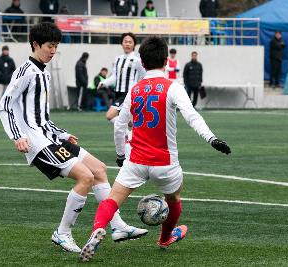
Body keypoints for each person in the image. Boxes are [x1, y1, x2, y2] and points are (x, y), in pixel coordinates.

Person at [0, 22, 147, 253]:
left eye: (56, 46)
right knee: (85, 177)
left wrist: (62, 133)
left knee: (98, 169)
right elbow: (4, 105)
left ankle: (118, 226)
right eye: (50, 46)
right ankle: (62, 233)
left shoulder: (43, 73)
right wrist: (17, 136)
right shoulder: (25, 71)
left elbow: (41, 117)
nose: (53, 51)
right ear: (35, 44)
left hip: (50, 137)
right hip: (37, 143)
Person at [79, 36, 231, 262]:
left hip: (136, 160)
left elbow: (120, 126)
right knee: (174, 199)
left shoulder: (135, 89)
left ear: (141, 62)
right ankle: (164, 238)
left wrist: (121, 154)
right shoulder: (173, 88)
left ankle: (96, 231)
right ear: (167, 61)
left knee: (112, 199)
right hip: (165, 163)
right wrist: (212, 138)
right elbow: (192, 116)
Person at [98, 32, 146, 124]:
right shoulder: (118, 59)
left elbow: (145, 75)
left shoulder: (137, 60)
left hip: (128, 94)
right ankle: (132, 135)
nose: (127, 44)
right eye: (125, 41)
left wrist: (139, 89)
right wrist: (103, 82)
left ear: (134, 45)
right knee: (129, 122)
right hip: (117, 93)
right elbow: (114, 77)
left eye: (130, 42)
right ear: (122, 43)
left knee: (110, 115)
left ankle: (128, 136)